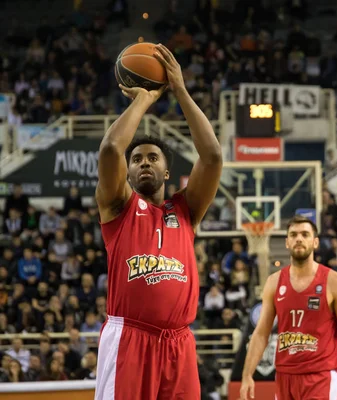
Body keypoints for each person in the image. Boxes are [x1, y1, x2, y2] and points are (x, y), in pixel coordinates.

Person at [94, 44, 222, 400]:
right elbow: (109, 151)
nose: (144, 163)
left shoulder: (185, 210)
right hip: (130, 339)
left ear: (168, 171)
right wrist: (144, 100)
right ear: (129, 172)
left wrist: (179, 89)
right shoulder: (118, 207)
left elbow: (211, 155)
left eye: (153, 157)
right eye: (136, 159)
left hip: (179, 343)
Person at [239, 215, 337, 400]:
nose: (299, 238)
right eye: (294, 234)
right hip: (284, 375)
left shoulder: (334, 281)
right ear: (287, 242)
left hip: (321, 374)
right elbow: (260, 333)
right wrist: (247, 375)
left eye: (305, 234)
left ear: (315, 242)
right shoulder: (274, 282)